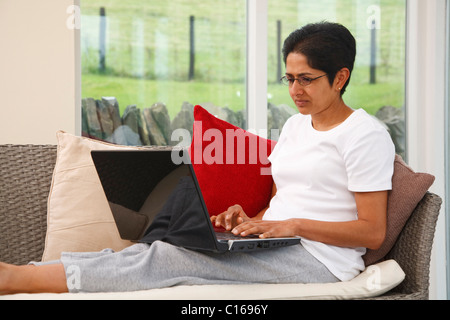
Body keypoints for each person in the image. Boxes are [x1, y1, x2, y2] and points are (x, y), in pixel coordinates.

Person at [0, 22, 394, 294]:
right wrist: (252, 222)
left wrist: (292, 225)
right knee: (156, 245)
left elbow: (372, 231)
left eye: (306, 79)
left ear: (340, 78)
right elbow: (284, 199)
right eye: (289, 78)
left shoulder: (365, 136)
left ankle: (18, 281)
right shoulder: (295, 127)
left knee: (169, 260)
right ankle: (27, 273)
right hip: (280, 242)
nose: (295, 90)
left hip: (320, 261)